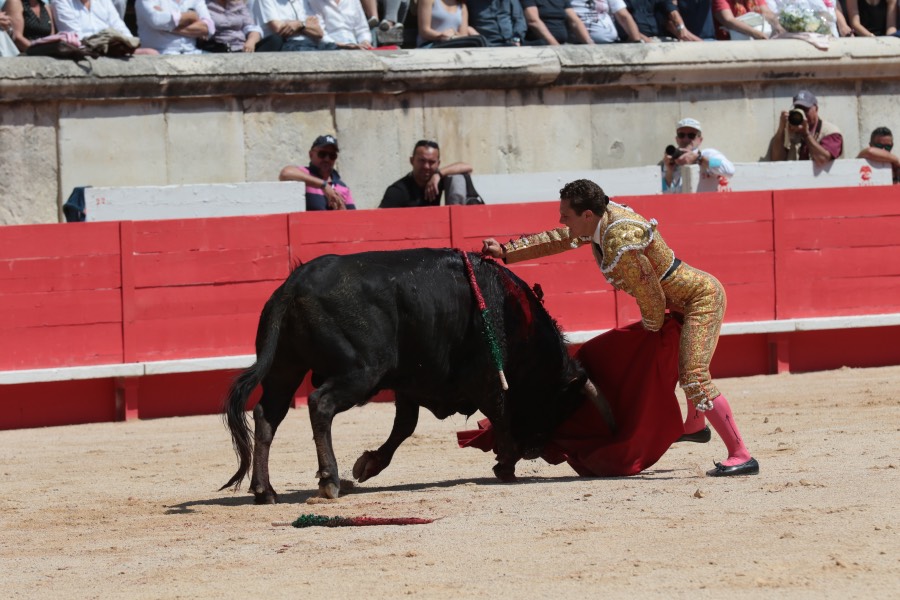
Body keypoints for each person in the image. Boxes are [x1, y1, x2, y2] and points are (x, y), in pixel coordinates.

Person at [481, 179, 759, 477]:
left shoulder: (618, 239)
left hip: (700, 301)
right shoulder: (599, 220)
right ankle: (694, 426)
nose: (562, 219)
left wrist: (653, 331)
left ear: (587, 215)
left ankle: (741, 454)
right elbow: (563, 237)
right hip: (678, 302)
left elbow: (652, 296)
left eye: (566, 214)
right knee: (683, 365)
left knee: (694, 376)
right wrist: (507, 250)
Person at [379, 139, 477, 208]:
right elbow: (377, 220)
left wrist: (439, 174)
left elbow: (468, 167)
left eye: (431, 162)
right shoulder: (397, 191)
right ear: (412, 161)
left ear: (438, 164)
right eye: (422, 161)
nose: (426, 166)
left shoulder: (436, 180)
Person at [279, 134, 356, 211]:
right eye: (322, 154)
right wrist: (324, 185)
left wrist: (341, 207)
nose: (327, 159)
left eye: (332, 155)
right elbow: (285, 173)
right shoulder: (304, 174)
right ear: (311, 154)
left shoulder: (343, 186)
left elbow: (355, 219)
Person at [768, 89, 844, 164]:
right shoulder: (789, 130)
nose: (802, 113)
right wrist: (781, 128)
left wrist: (806, 134)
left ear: (816, 109)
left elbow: (823, 159)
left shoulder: (830, 132)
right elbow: (776, 159)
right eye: (798, 109)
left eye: (805, 109)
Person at [662, 117, 735, 194]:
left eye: (691, 135)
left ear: (700, 140)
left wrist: (699, 159)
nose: (686, 139)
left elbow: (729, 169)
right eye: (681, 135)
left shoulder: (708, 154)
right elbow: (663, 192)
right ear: (677, 139)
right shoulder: (671, 159)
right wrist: (669, 171)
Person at [135, 0, 215, 54]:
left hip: (193, 53)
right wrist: (191, 16)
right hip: (160, 54)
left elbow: (209, 28)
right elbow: (156, 20)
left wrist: (167, 25)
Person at [255, 0, 330, 50]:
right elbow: (279, 28)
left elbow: (319, 33)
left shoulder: (304, 1)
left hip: (314, 44)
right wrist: (306, 25)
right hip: (288, 45)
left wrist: (300, 25)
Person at [521, 0, 595, 44]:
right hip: (539, 45)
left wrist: (589, 43)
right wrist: (555, 45)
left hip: (561, 45)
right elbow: (533, 21)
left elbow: (575, 21)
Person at [53, 0, 134, 40]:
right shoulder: (61, 1)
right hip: (83, 56)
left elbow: (120, 27)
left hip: (112, 49)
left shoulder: (104, 1)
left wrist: (130, 42)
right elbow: (75, 37)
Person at [306, 0, 373, 48]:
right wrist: (342, 45)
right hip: (330, 48)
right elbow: (320, 34)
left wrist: (365, 41)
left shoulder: (353, 1)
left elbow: (362, 29)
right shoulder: (313, 2)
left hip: (355, 46)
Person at [622, 0, 701, 40]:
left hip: (659, 38)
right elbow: (623, 22)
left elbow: (671, 9)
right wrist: (644, 40)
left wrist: (681, 27)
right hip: (636, 40)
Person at [570, 0, 643, 43]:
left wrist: (637, 42)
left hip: (612, 43)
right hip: (581, 45)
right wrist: (590, 45)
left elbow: (624, 16)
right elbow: (573, 21)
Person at [712, 0, 783, 39]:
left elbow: (766, 12)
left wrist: (778, 26)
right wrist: (756, 33)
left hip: (756, 37)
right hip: (731, 42)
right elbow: (729, 21)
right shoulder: (720, 1)